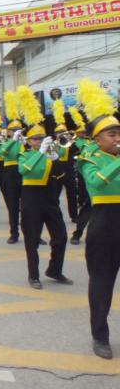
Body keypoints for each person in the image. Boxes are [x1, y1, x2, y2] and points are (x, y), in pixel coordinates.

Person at [74, 78, 120, 360]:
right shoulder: (88, 159)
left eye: (119, 133)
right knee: (102, 283)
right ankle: (100, 336)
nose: (117, 138)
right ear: (97, 139)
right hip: (105, 225)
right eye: (112, 134)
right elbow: (98, 182)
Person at [16, 85, 71, 290]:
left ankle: (54, 270)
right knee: (32, 239)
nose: (39, 141)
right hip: (31, 199)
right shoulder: (25, 155)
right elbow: (25, 170)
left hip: (50, 199)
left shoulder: (50, 153)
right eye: (36, 139)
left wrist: (55, 159)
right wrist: (40, 153)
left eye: (41, 138)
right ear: (28, 141)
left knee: (61, 237)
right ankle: (33, 275)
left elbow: (61, 176)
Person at [70, 107, 94, 245]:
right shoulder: (85, 145)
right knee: (87, 207)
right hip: (91, 181)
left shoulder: (89, 143)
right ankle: (77, 234)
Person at [52, 99, 79, 223]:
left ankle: (74, 215)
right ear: (55, 133)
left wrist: (71, 140)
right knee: (54, 194)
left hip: (68, 169)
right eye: (58, 132)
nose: (60, 134)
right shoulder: (53, 143)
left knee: (72, 193)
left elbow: (77, 151)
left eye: (62, 132)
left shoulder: (70, 142)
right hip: (57, 170)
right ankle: (55, 215)